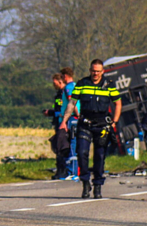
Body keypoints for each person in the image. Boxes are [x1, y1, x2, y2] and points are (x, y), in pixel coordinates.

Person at [60, 59, 121, 199]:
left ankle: (98, 186)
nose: (95, 73)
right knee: (82, 153)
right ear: (90, 70)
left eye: (98, 71)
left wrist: (114, 122)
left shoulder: (109, 85)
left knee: (99, 156)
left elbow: (118, 103)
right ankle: (85, 183)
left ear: (102, 71)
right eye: (93, 71)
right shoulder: (82, 84)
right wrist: (64, 121)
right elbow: (72, 103)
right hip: (85, 124)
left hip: (102, 125)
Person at [44, 72, 69, 179]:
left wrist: (51, 113)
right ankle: (61, 170)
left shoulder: (65, 93)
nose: (54, 86)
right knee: (58, 146)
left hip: (63, 123)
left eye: (55, 83)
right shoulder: (59, 94)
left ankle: (63, 171)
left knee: (62, 147)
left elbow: (63, 110)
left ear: (60, 81)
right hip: (58, 122)